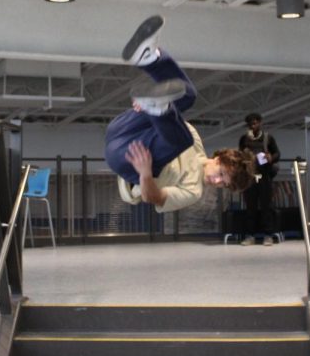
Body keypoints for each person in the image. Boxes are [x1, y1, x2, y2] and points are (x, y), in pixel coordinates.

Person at [104, 16, 256, 213]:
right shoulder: (195, 141)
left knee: (181, 138)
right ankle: (149, 58)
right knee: (187, 96)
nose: (216, 181)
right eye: (221, 174)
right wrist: (145, 112)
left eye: (222, 184)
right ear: (218, 159)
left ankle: (156, 107)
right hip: (124, 128)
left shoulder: (193, 191)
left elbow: (154, 197)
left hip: (127, 159)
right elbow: (167, 124)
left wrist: (145, 174)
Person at [238, 112, 280, 246]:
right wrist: (244, 158)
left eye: (255, 123)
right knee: (250, 207)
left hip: (264, 176)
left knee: (266, 206)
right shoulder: (244, 139)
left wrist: (270, 158)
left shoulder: (268, 138)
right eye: (250, 124)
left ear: (260, 123)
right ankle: (250, 236)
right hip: (250, 177)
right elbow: (240, 155)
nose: (253, 125)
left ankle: (268, 235)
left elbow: (277, 153)